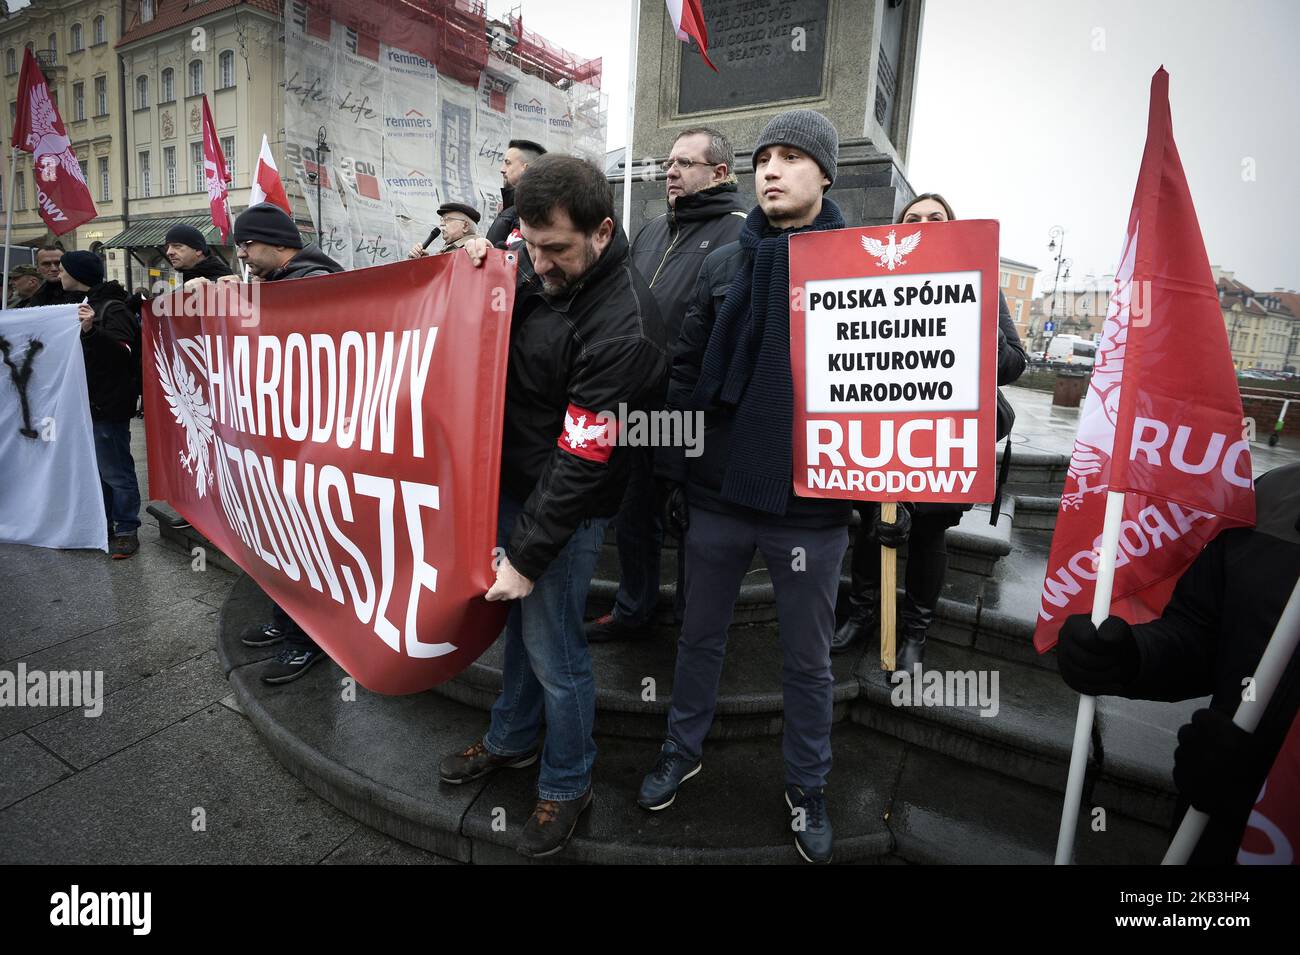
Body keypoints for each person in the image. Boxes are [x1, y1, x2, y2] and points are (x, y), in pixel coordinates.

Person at [639, 109, 851, 864]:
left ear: (826, 174)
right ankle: (681, 747)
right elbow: (688, 373)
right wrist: (672, 470)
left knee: (807, 660)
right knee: (697, 637)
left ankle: (808, 787)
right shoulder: (726, 262)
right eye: (764, 157)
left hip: (812, 508)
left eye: (793, 157)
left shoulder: (868, 265)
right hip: (717, 494)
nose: (772, 169)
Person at [441, 155, 668, 858]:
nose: (539, 263)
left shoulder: (625, 324)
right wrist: (482, 256)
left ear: (603, 231)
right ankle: (512, 738)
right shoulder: (535, 251)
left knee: (554, 647)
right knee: (523, 632)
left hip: (567, 503)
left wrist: (529, 554)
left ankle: (569, 781)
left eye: (557, 249)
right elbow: (512, 247)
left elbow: (582, 457)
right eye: (530, 246)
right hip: (513, 478)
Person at [1056, 461, 1300, 865]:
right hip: (1205, 828)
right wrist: (1131, 656)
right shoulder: (1274, 496)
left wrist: (1279, 787)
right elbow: (1202, 632)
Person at [831, 192, 1028, 674]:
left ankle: (915, 632)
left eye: (935, 219)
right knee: (874, 522)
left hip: (945, 436)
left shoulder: (980, 280)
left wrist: (979, 325)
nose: (924, 224)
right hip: (879, 430)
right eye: (913, 218)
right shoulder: (872, 278)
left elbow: (1014, 364)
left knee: (928, 530)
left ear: (952, 226)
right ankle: (860, 615)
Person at [586, 126, 748, 643]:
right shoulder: (654, 229)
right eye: (667, 163)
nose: (669, 171)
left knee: (689, 519)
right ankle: (635, 606)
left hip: (696, 407)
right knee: (635, 511)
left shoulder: (740, 233)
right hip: (638, 402)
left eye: (684, 163)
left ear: (720, 172)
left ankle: (693, 622)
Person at [230, 203, 345, 684]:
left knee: (301, 545)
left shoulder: (310, 282)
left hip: (309, 444)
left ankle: (308, 643)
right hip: (286, 439)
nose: (243, 255)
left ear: (278, 244)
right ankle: (285, 624)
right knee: (281, 541)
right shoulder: (281, 284)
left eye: (248, 245)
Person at [61, 250, 143, 559]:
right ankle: (105, 523)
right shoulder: (76, 305)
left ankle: (126, 529)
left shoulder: (112, 309)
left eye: (64, 269)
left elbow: (123, 351)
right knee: (98, 469)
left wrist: (92, 332)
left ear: (78, 274)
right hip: (86, 403)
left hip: (107, 405)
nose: (59, 273)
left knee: (115, 469)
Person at [485, 139, 545, 248]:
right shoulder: (513, 208)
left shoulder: (529, 211)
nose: (502, 169)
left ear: (526, 169)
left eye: (508, 163)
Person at [163, 223, 233, 286]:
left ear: (198, 250)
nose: (169, 252)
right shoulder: (179, 284)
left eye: (177, 246)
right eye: (167, 248)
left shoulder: (225, 282)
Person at [406, 202, 481, 259]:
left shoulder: (476, 250)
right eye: (442, 219)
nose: (441, 224)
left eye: (447, 219)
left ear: (465, 226)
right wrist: (425, 263)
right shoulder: (450, 249)